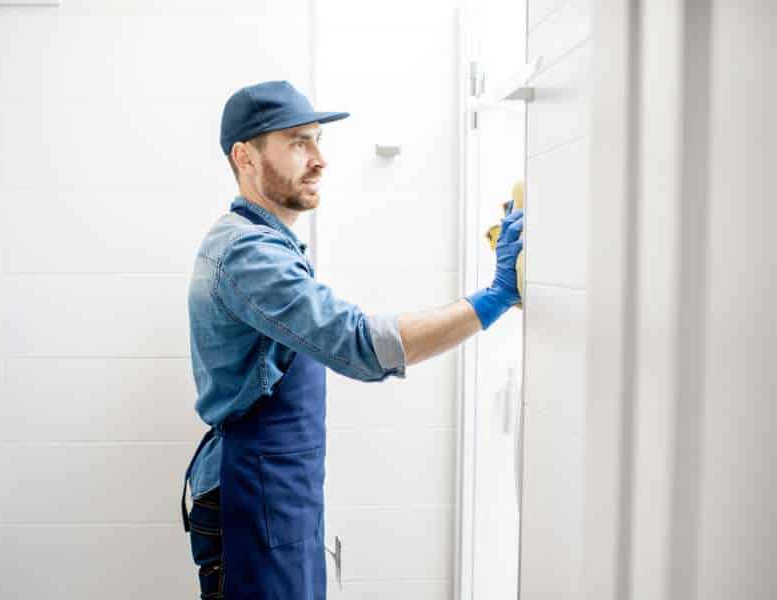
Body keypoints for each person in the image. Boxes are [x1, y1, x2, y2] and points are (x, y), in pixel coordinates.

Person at [181, 80, 523, 599]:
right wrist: (494, 298)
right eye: (298, 142)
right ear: (244, 157)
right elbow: (362, 345)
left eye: (317, 140)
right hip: (255, 496)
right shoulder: (249, 254)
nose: (319, 159)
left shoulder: (265, 241)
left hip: (276, 491)